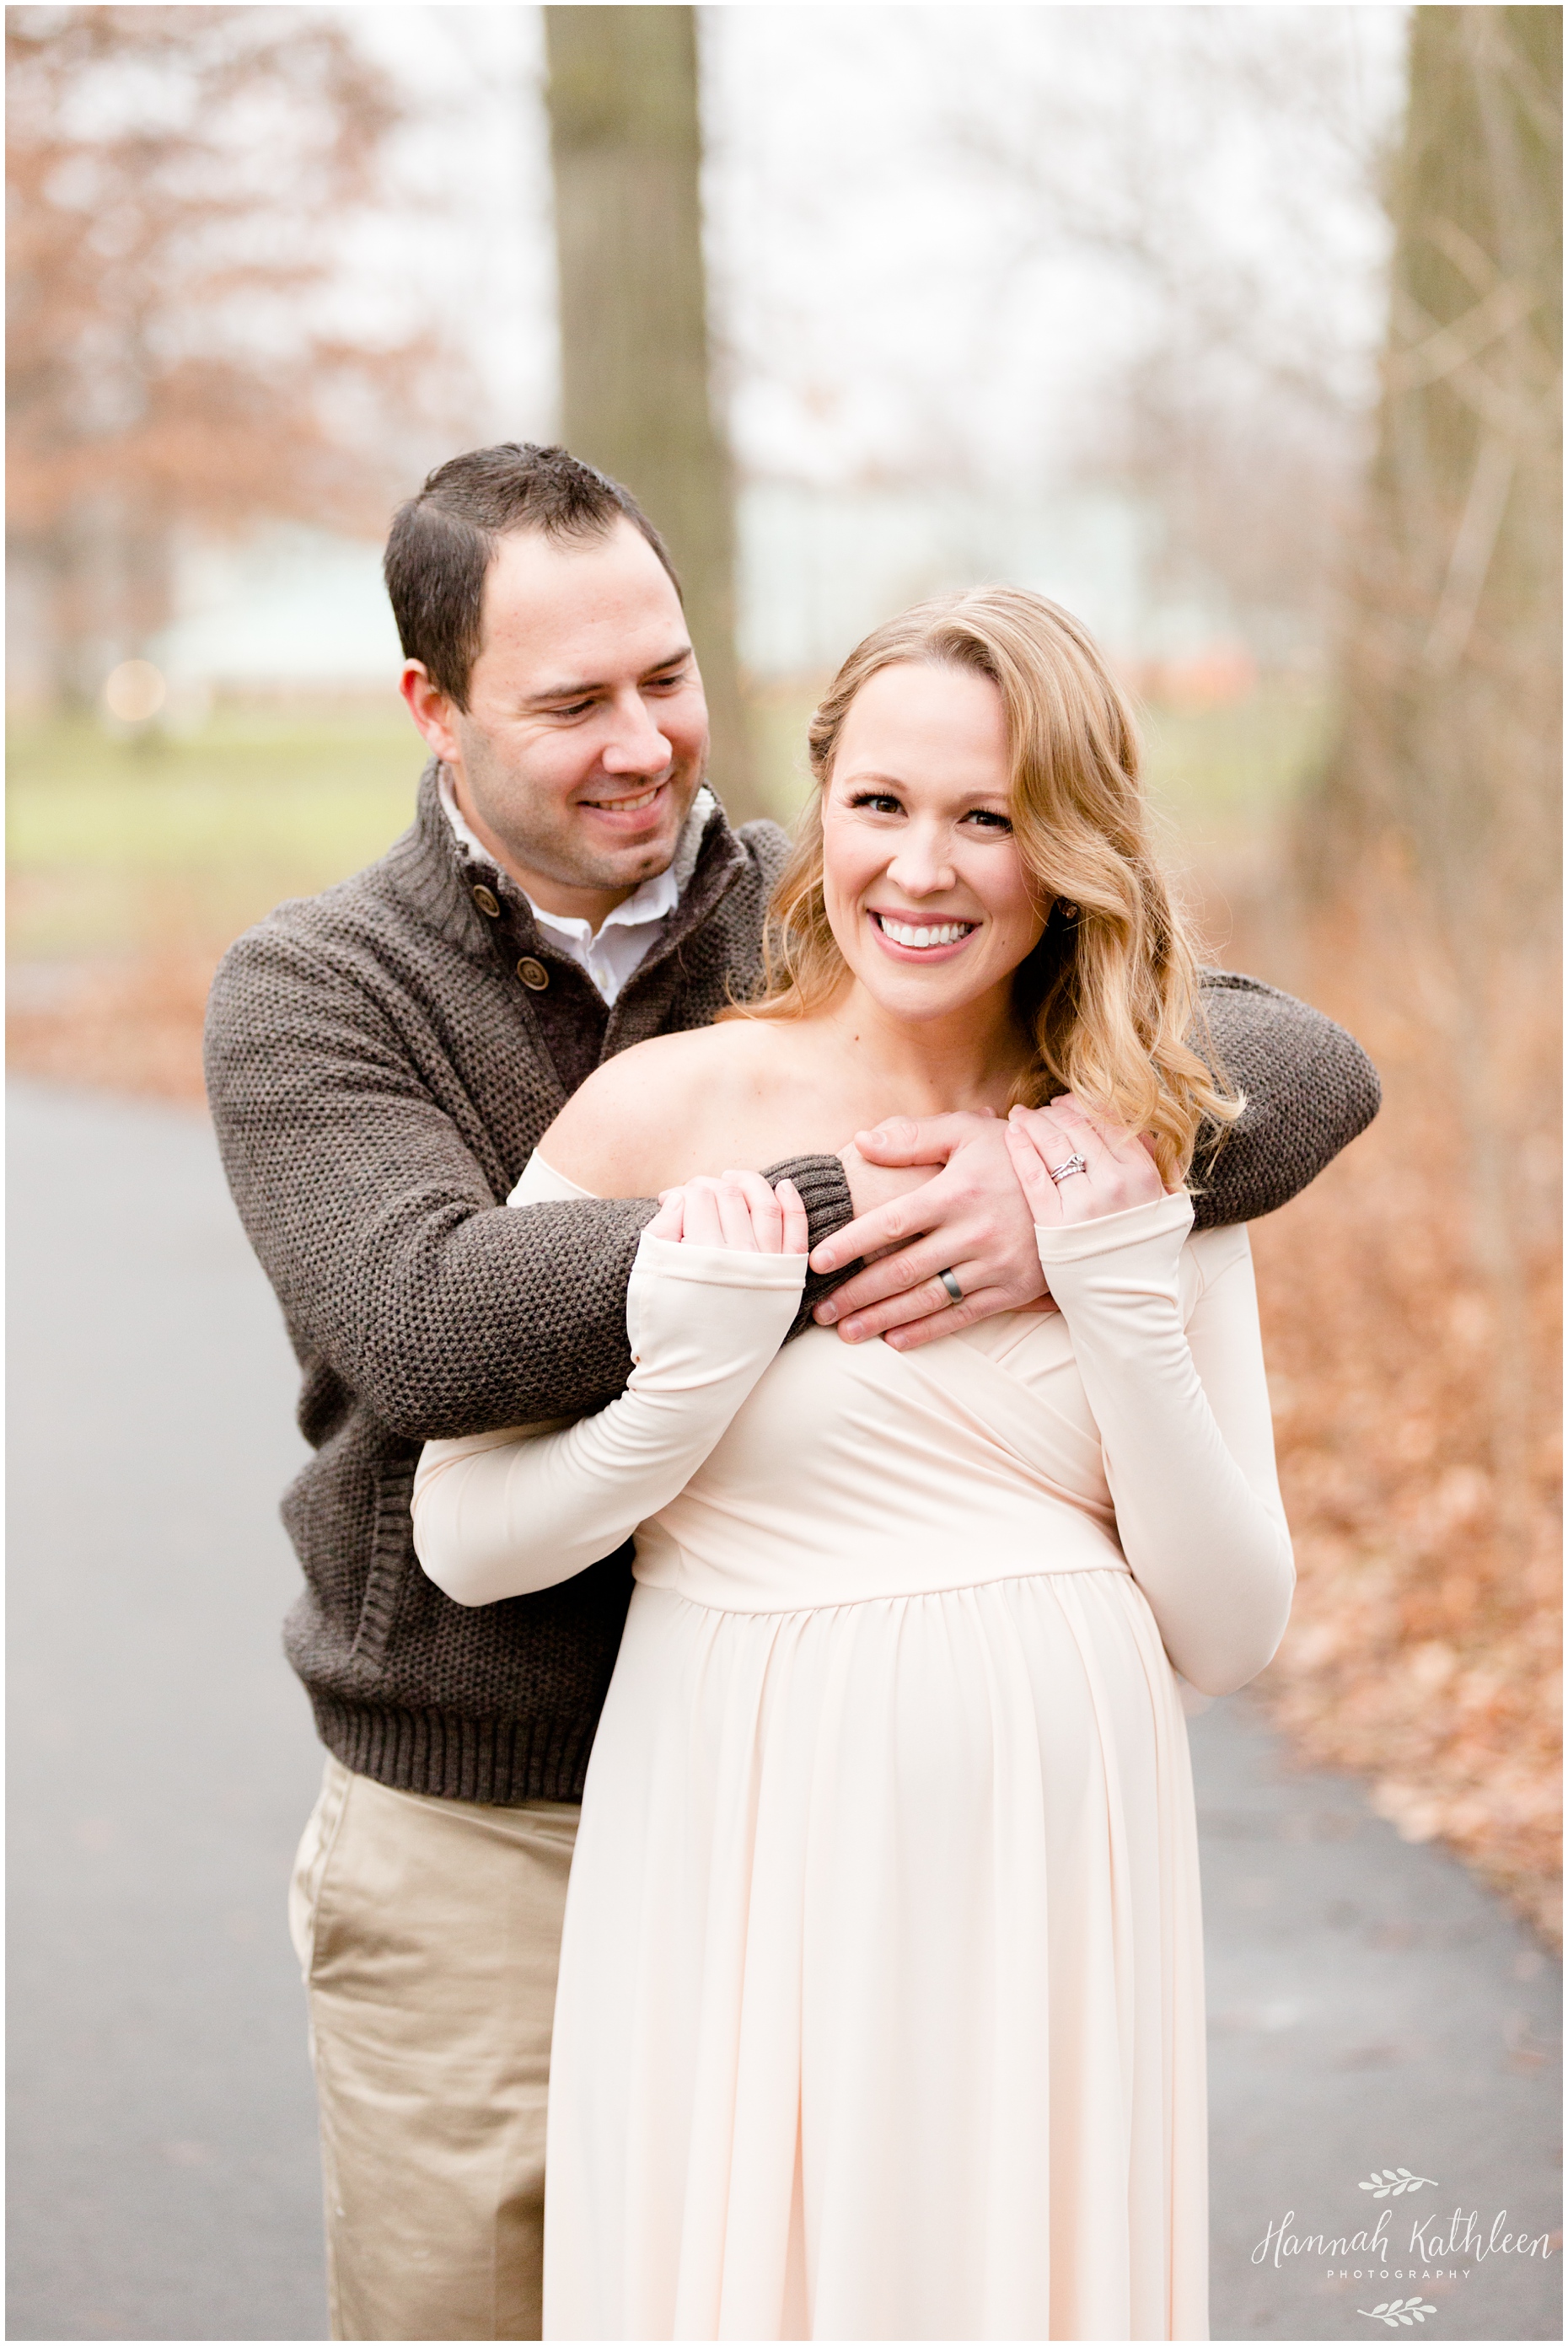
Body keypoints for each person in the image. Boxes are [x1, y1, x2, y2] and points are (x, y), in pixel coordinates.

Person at [204, 443, 1379, 2343]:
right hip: (496, 1793)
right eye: (571, 702)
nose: (643, 742)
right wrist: (864, 1188)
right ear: (433, 707)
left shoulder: (827, 884)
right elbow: (421, 1328)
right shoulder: (321, 987)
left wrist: (1073, 1161)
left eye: (665, 678)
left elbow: (1289, 1060)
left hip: (975, 1851)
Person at [412, 586, 1299, 2341]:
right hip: (743, 1824)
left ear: (1072, 847)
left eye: (992, 817)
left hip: (1059, 1870)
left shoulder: (1143, 1139)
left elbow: (1236, 1626)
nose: (927, 867)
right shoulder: (662, 1115)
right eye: (885, 804)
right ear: (817, 811)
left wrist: (1119, 1291)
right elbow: (465, 1539)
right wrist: (679, 1391)